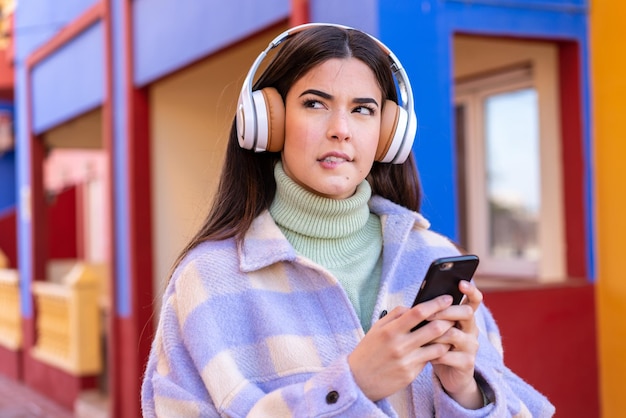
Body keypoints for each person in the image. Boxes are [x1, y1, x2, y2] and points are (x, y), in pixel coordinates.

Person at [141, 23, 555, 417]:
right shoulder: (208, 281)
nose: (340, 129)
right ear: (270, 121)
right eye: (315, 103)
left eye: (362, 109)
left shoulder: (434, 258)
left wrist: (464, 391)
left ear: (388, 134)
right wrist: (350, 386)